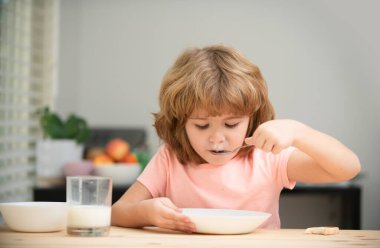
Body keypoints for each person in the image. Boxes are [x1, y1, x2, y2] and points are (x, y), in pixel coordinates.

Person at [111, 44, 361, 232]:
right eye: (201, 125)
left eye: (231, 124)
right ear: (181, 122)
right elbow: (117, 212)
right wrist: (145, 213)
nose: (217, 139)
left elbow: (347, 169)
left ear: (251, 119)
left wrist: (299, 132)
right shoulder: (170, 159)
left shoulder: (267, 157)